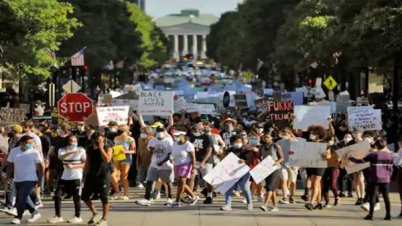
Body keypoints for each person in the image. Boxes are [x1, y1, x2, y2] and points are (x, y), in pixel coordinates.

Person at [349, 137, 393, 220]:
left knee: (373, 196)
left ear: (376, 146)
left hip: (375, 178)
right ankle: (388, 215)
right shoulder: (389, 155)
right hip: (386, 178)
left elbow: (360, 161)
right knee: (386, 197)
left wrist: (351, 158)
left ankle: (371, 215)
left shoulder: (373, 155)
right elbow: (391, 168)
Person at [6, 135, 44, 224]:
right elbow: (10, 164)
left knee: (23, 196)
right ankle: (20, 216)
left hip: (30, 179)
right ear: (21, 143)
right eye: (27, 143)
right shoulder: (14, 152)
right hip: (18, 178)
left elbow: (41, 166)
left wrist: (40, 179)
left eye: (31, 143)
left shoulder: (35, 152)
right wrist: (8, 176)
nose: (29, 145)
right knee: (21, 198)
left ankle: (32, 213)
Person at [47, 135, 86, 224]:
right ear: (68, 142)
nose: (74, 143)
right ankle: (58, 215)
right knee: (57, 195)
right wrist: (71, 152)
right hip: (65, 176)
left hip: (77, 176)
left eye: (75, 141)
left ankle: (77, 216)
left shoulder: (81, 150)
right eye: (72, 141)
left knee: (76, 197)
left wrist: (74, 166)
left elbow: (85, 164)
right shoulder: (62, 150)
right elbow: (61, 157)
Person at [135, 125, 174, 206]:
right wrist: (150, 150)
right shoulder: (153, 140)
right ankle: (147, 198)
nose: (160, 132)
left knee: (167, 182)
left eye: (161, 130)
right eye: (158, 130)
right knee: (149, 181)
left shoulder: (168, 141)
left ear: (164, 131)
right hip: (154, 164)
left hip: (165, 165)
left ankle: (170, 198)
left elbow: (170, 153)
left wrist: (163, 161)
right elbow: (149, 149)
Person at [81, 132, 113, 226]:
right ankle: (95, 213)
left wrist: (101, 148)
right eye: (97, 140)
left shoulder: (107, 147)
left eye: (101, 140)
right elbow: (87, 162)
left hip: (103, 175)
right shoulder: (89, 149)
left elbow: (107, 159)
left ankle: (104, 219)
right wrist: (85, 174)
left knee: (104, 197)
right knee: (85, 196)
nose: (99, 142)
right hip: (91, 175)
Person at [220, 135, 253, 211]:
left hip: (244, 171)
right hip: (232, 172)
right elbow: (223, 160)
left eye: (240, 141)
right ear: (232, 142)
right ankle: (228, 205)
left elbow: (250, 160)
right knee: (229, 187)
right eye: (236, 142)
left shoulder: (245, 150)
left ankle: (249, 203)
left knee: (244, 187)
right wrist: (223, 157)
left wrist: (244, 161)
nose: (238, 143)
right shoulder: (228, 150)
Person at [170, 130, 199, 207]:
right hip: (176, 164)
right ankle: (194, 196)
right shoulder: (174, 144)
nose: (175, 137)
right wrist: (171, 158)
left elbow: (193, 157)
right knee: (181, 183)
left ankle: (177, 201)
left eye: (177, 136)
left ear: (183, 136)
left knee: (182, 182)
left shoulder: (188, 145)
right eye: (175, 136)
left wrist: (193, 167)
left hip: (186, 164)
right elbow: (173, 154)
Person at [259, 133, 283, 212]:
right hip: (266, 168)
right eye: (264, 137)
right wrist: (260, 162)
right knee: (270, 188)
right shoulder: (261, 147)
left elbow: (282, 158)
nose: (266, 138)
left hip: (275, 168)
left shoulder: (276, 146)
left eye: (267, 137)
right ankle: (275, 206)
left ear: (271, 138)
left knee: (270, 186)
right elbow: (259, 156)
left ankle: (265, 204)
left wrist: (276, 162)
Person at [111, 125, 136, 200]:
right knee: (112, 175)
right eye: (118, 130)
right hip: (116, 157)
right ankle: (117, 191)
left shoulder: (130, 139)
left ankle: (126, 194)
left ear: (125, 131)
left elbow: (134, 150)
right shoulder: (116, 138)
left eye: (121, 130)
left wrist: (126, 151)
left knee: (124, 176)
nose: (119, 132)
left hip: (126, 157)